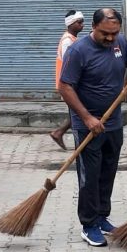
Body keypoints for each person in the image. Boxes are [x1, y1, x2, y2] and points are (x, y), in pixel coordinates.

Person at [58, 8, 127, 247]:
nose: (110, 39)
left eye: (114, 33)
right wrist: (88, 118)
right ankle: (89, 224)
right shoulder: (78, 51)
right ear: (93, 26)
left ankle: (102, 217)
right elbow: (65, 87)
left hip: (113, 123)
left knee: (107, 172)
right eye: (105, 34)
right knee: (89, 176)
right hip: (87, 125)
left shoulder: (120, 41)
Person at [49, 10, 84, 150]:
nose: (82, 25)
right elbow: (69, 64)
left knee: (77, 111)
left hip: (71, 83)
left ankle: (59, 133)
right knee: (77, 112)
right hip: (68, 84)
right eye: (79, 22)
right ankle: (65, 135)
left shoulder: (73, 39)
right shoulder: (67, 41)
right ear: (70, 24)